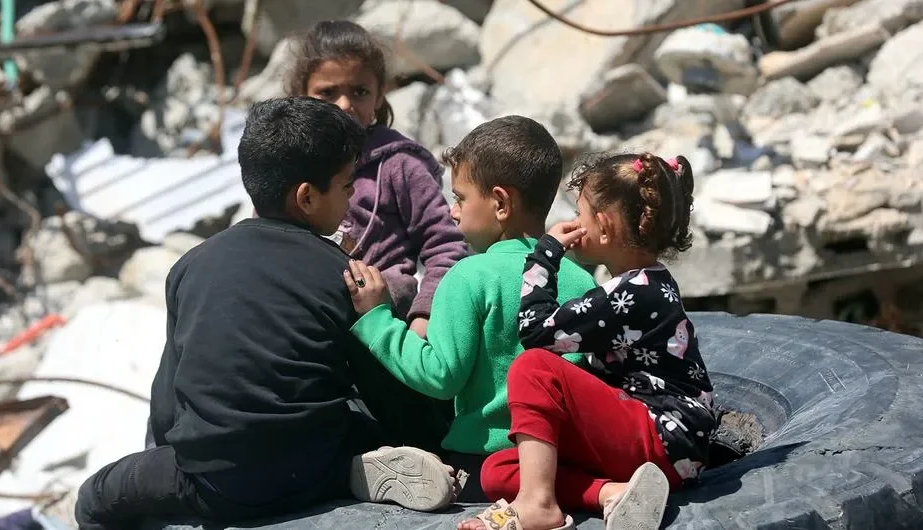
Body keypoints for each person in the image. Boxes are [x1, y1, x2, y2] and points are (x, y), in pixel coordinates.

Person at [74, 97, 459, 530]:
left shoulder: (191, 265)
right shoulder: (343, 274)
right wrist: (431, 440)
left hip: (216, 484)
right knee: (348, 421)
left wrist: (168, 458)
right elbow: (385, 392)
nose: (351, 199)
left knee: (95, 496)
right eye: (347, 187)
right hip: (311, 466)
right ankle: (351, 471)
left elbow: (168, 400)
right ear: (307, 198)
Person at [343, 116, 598, 503]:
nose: (453, 212)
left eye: (460, 198)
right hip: (565, 464)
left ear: (500, 203)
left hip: (484, 465)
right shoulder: (581, 280)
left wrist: (376, 319)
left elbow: (440, 376)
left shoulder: (469, 275)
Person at [460, 153, 717, 530]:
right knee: (498, 469)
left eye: (580, 214)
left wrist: (546, 255)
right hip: (657, 452)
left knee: (533, 367)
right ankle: (612, 493)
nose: (574, 224)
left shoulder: (633, 293)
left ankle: (537, 505)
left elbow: (535, 333)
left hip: (660, 436)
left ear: (604, 225)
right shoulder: (642, 285)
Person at [288, 19, 469, 339]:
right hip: (309, 321)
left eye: (359, 92)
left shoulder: (399, 164)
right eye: (327, 93)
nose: (344, 105)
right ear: (300, 94)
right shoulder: (289, 164)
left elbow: (445, 245)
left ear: (379, 96)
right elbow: (265, 236)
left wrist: (424, 315)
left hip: (387, 324)